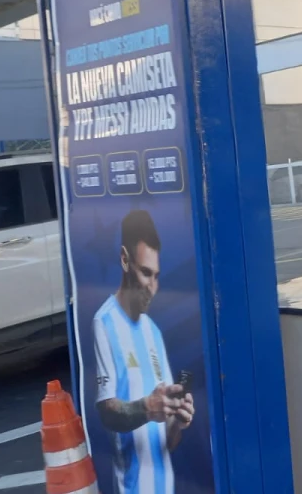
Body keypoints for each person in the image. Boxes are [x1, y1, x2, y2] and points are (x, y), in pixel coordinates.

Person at [94, 210, 194, 494]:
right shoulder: (104, 323)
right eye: (145, 273)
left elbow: (168, 441)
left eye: (156, 276)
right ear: (125, 260)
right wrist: (147, 408)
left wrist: (178, 420)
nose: (152, 286)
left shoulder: (153, 331)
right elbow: (107, 412)